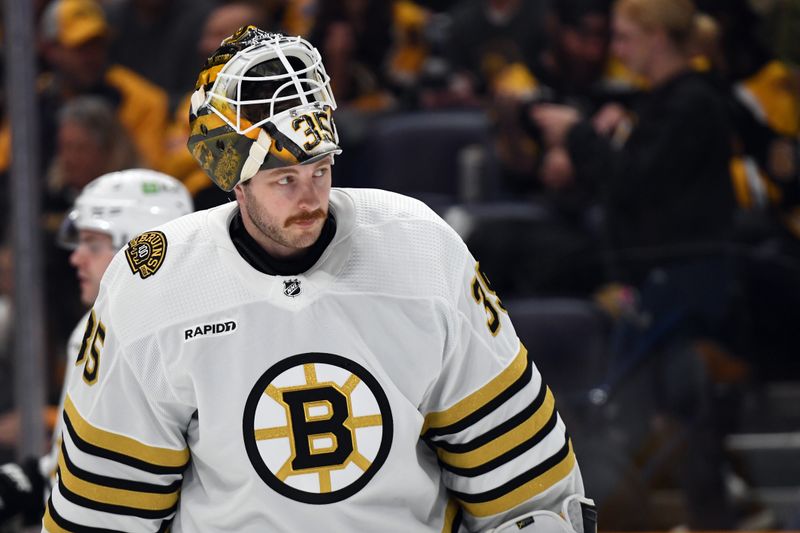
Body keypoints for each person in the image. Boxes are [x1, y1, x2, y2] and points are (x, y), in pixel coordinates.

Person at [43, 27, 596, 532]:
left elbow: (524, 478)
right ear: (232, 177)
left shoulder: (419, 247)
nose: (310, 198)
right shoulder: (156, 283)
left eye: (320, 170)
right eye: (284, 178)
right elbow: (103, 512)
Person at [0, 169, 193, 528]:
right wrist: (29, 481)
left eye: (93, 243)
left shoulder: (165, 339)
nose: (76, 258)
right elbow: (93, 459)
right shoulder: (98, 322)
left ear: (140, 247)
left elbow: (133, 478)